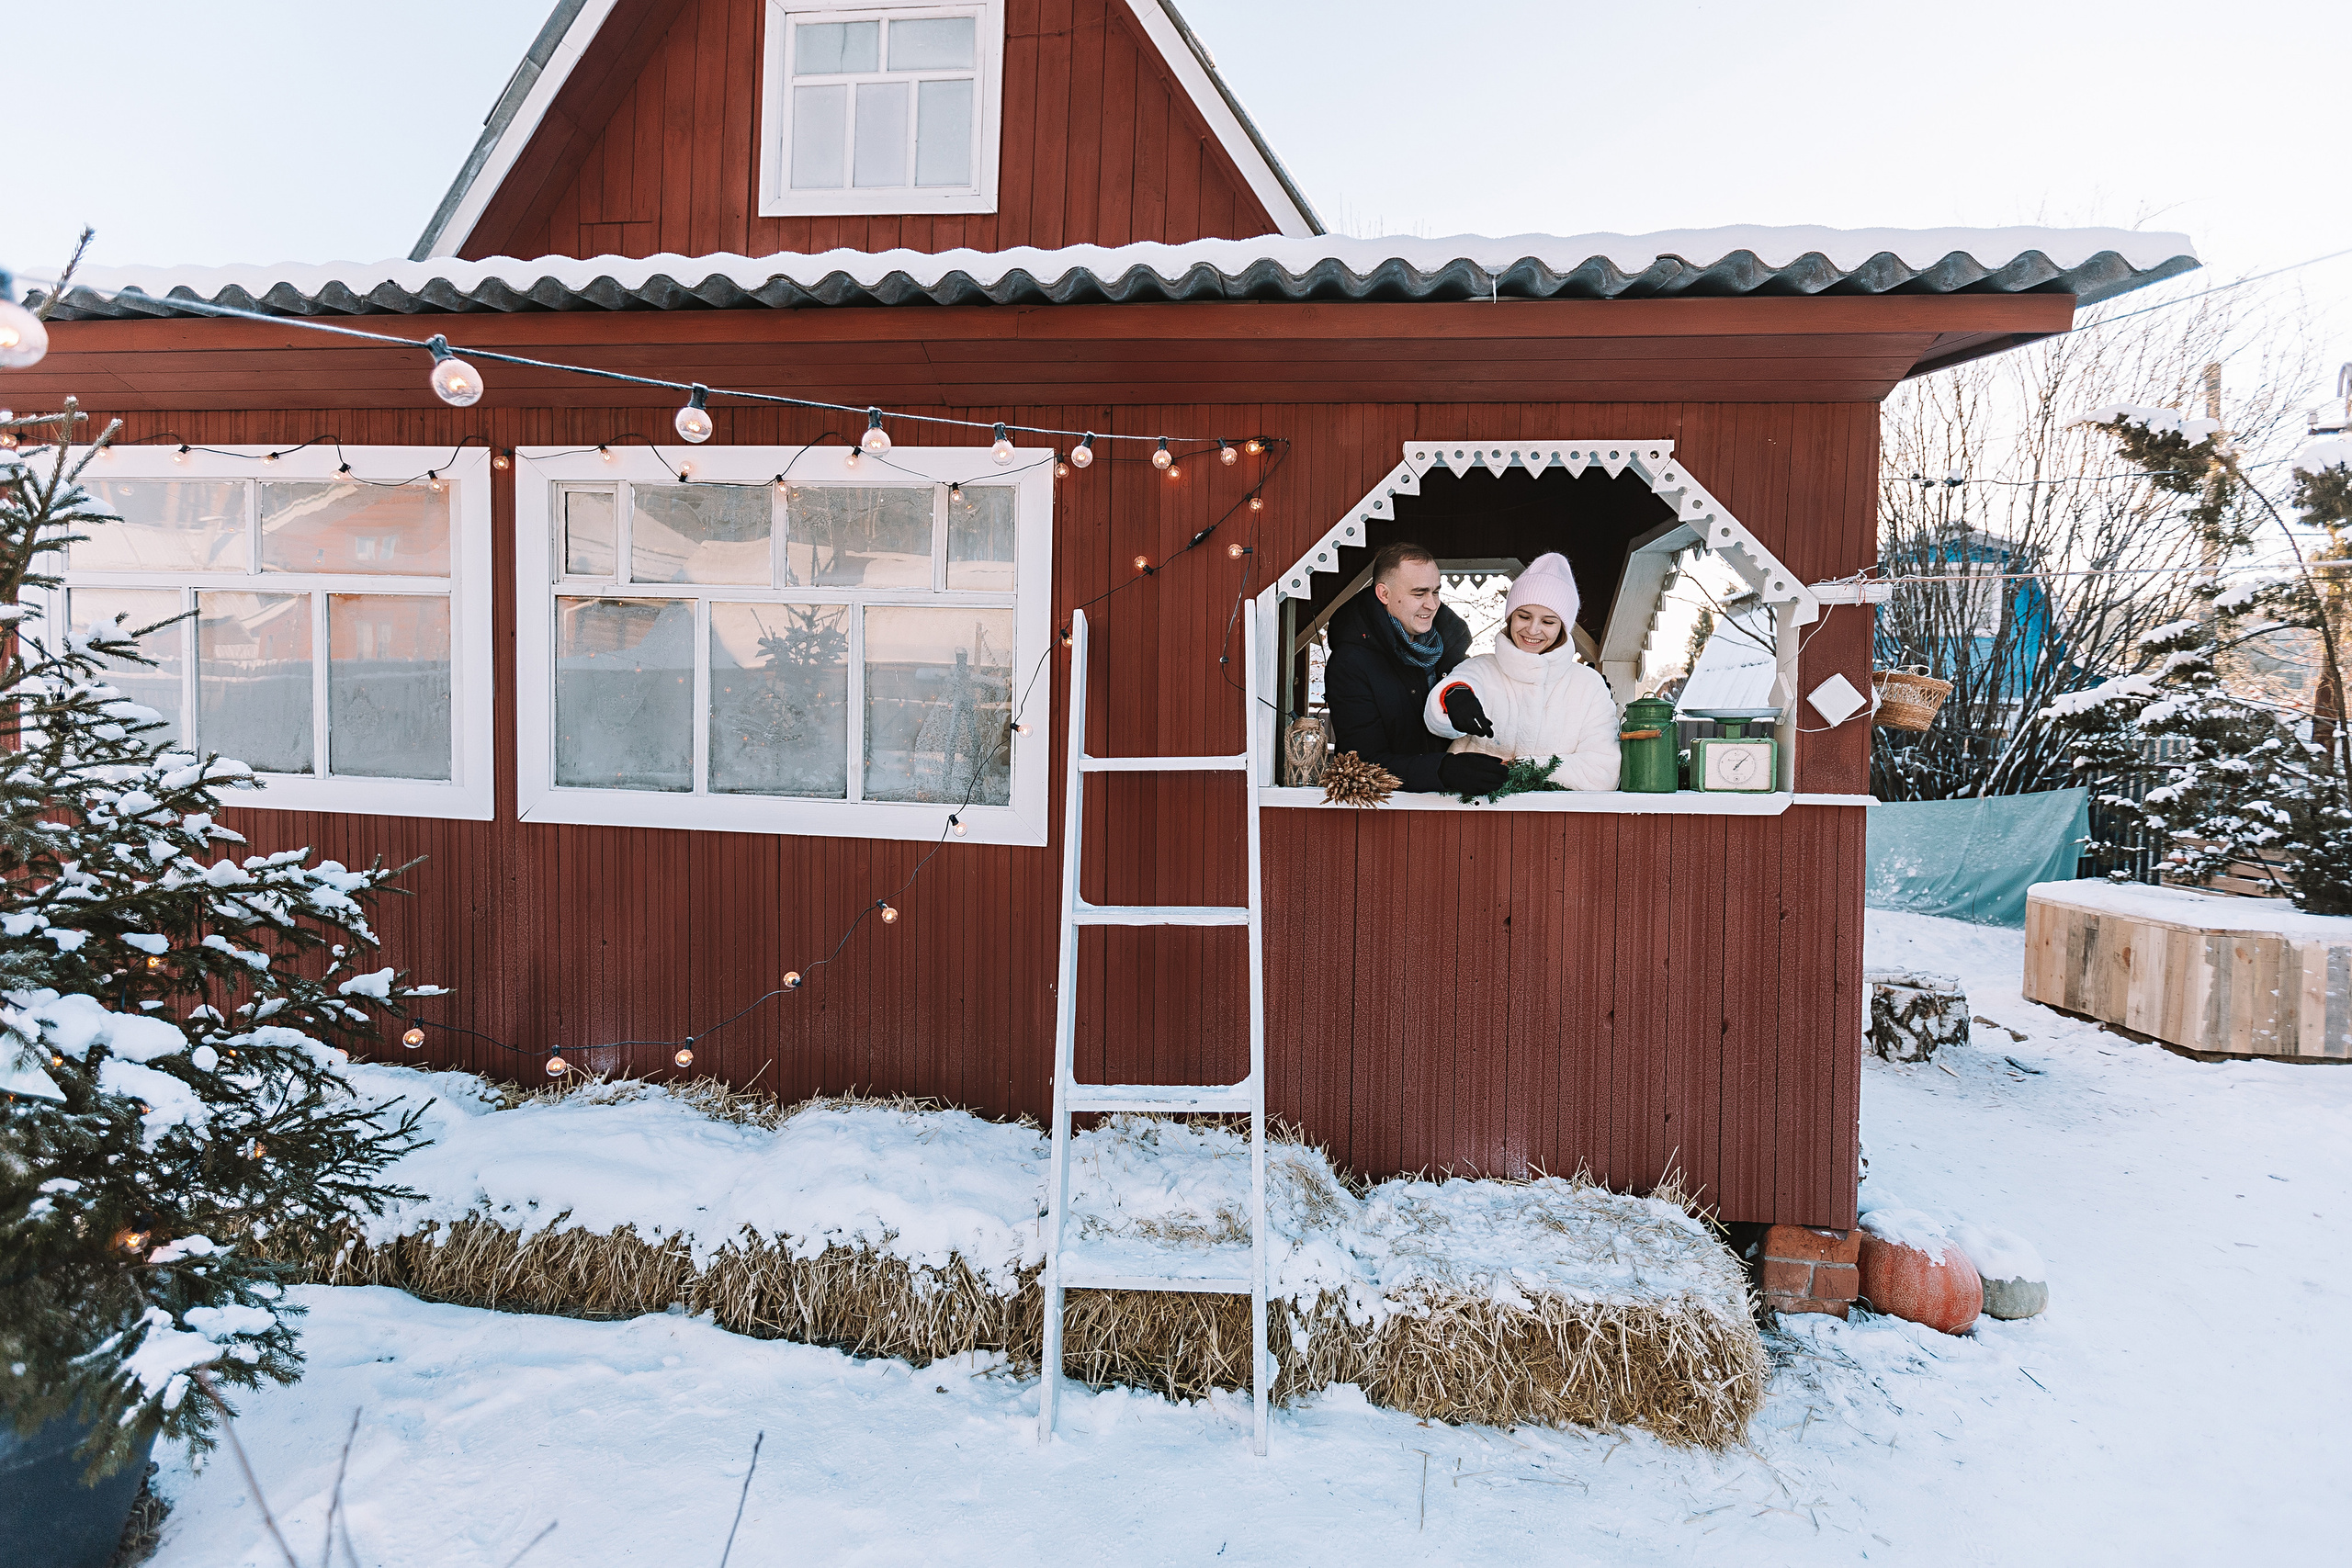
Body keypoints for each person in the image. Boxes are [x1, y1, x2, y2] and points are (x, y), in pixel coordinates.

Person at [1323, 542, 1510, 795]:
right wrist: (1442, 770)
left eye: (1435, 592)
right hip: (1389, 817)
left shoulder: (1450, 646)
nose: (1432, 604)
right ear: (1384, 594)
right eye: (1419, 593)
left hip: (1459, 806)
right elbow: (1361, 765)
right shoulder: (1350, 664)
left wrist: (1458, 693)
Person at [1422, 552, 1621, 791]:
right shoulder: (1480, 668)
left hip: (1557, 822)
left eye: (1548, 622)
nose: (1533, 629)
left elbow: (1602, 772)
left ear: (1562, 628)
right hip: (1473, 815)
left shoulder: (1588, 686)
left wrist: (1518, 768)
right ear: (1510, 618)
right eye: (1524, 616)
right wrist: (1452, 696)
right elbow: (1439, 716)